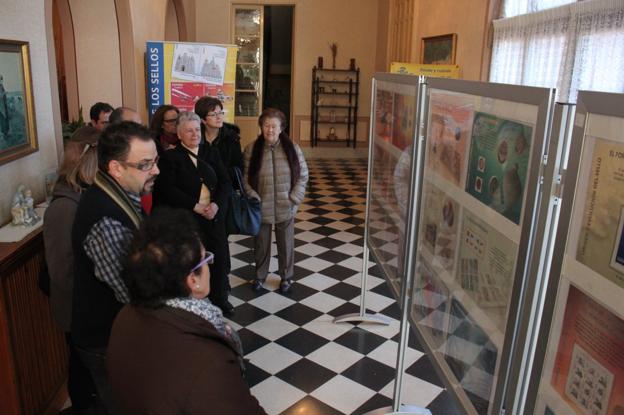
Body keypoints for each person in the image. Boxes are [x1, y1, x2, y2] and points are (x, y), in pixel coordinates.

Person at [107, 207, 266, 415]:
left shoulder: (125, 316)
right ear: (193, 281)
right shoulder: (206, 362)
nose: (209, 265)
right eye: (206, 259)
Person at [71, 121, 159, 414]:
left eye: (155, 161)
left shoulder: (120, 194)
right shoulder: (105, 219)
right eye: (146, 164)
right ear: (116, 168)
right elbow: (132, 292)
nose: (155, 170)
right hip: (106, 341)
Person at [153, 111, 233, 315]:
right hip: (188, 220)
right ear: (179, 134)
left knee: (220, 260)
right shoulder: (170, 158)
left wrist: (215, 205)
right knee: (191, 263)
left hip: (213, 217)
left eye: (197, 129)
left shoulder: (211, 153)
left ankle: (220, 300)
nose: (194, 134)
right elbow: (167, 190)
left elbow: (225, 182)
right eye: (189, 131)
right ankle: (192, 305)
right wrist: (194, 206)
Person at [43, 126, 100, 415]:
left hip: (87, 309)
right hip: (78, 311)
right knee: (82, 373)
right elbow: (62, 272)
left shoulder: (83, 196)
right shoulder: (64, 207)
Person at [244, 108, 308, 293]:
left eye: (274, 126)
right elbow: (245, 178)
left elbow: (303, 175)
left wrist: (294, 198)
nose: (270, 130)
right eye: (266, 125)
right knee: (261, 244)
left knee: (286, 244)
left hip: (285, 205)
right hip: (261, 206)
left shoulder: (293, 148)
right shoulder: (251, 149)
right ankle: (260, 275)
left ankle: (286, 277)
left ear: (281, 129)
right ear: (261, 127)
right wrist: (253, 197)